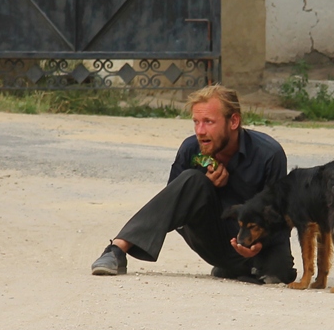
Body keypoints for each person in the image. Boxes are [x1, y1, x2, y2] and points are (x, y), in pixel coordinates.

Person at [90, 85, 297, 285]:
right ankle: (117, 249)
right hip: (212, 236)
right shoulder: (191, 149)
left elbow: (280, 217)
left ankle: (232, 268)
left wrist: (257, 244)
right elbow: (170, 205)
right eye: (196, 122)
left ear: (233, 121)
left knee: (280, 273)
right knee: (193, 179)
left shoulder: (269, 154)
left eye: (208, 122)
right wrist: (205, 185)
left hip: (259, 240)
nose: (200, 130)